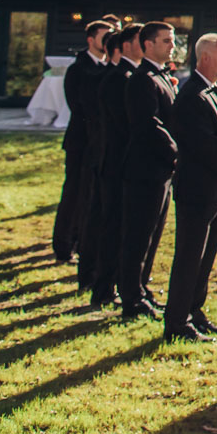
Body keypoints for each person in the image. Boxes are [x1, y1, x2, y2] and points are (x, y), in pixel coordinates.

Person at [163, 34, 217, 343]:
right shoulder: (190, 97)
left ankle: (195, 311)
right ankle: (177, 320)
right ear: (205, 58)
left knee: (207, 255)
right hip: (197, 189)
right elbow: (203, 144)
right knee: (189, 256)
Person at [119, 22, 179, 320]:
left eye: (173, 40)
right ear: (147, 45)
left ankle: (142, 288)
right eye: (166, 41)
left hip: (162, 170)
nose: (172, 45)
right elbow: (149, 124)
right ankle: (130, 296)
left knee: (154, 233)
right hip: (145, 168)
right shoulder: (141, 79)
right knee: (138, 234)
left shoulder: (163, 76)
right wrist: (177, 154)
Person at [88, 24, 141, 308]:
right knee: (112, 226)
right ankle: (103, 286)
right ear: (127, 46)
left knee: (124, 227)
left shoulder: (130, 76)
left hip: (127, 163)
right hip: (116, 162)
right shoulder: (116, 78)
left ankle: (122, 281)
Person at [53, 18, 112, 266]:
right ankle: (63, 245)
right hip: (80, 141)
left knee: (89, 194)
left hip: (97, 142)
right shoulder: (79, 68)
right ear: (91, 40)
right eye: (104, 37)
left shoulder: (106, 67)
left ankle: (79, 240)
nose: (108, 42)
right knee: (74, 192)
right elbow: (78, 106)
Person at [72, 18, 117, 290]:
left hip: (107, 152)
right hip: (92, 148)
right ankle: (83, 262)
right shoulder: (92, 75)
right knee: (87, 203)